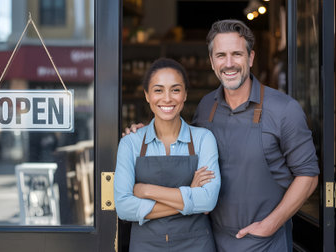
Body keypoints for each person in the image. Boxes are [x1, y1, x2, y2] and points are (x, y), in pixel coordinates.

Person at [124, 19, 319, 251]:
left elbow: (308, 177)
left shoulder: (284, 109)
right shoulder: (207, 106)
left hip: (264, 241)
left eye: (237, 54)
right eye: (221, 55)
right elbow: (180, 140)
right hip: (210, 238)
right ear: (211, 61)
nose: (229, 63)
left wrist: (270, 225)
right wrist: (144, 132)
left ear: (251, 57)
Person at [114, 58, 221, 251]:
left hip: (196, 244)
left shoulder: (203, 139)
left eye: (175, 89)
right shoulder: (130, 143)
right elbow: (123, 208)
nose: (167, 98)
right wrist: (190, 193)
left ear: (185, 95)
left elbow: (208, 200)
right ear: (147, 95)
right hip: (146, 245)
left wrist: (146, 190)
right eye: (158, 90)